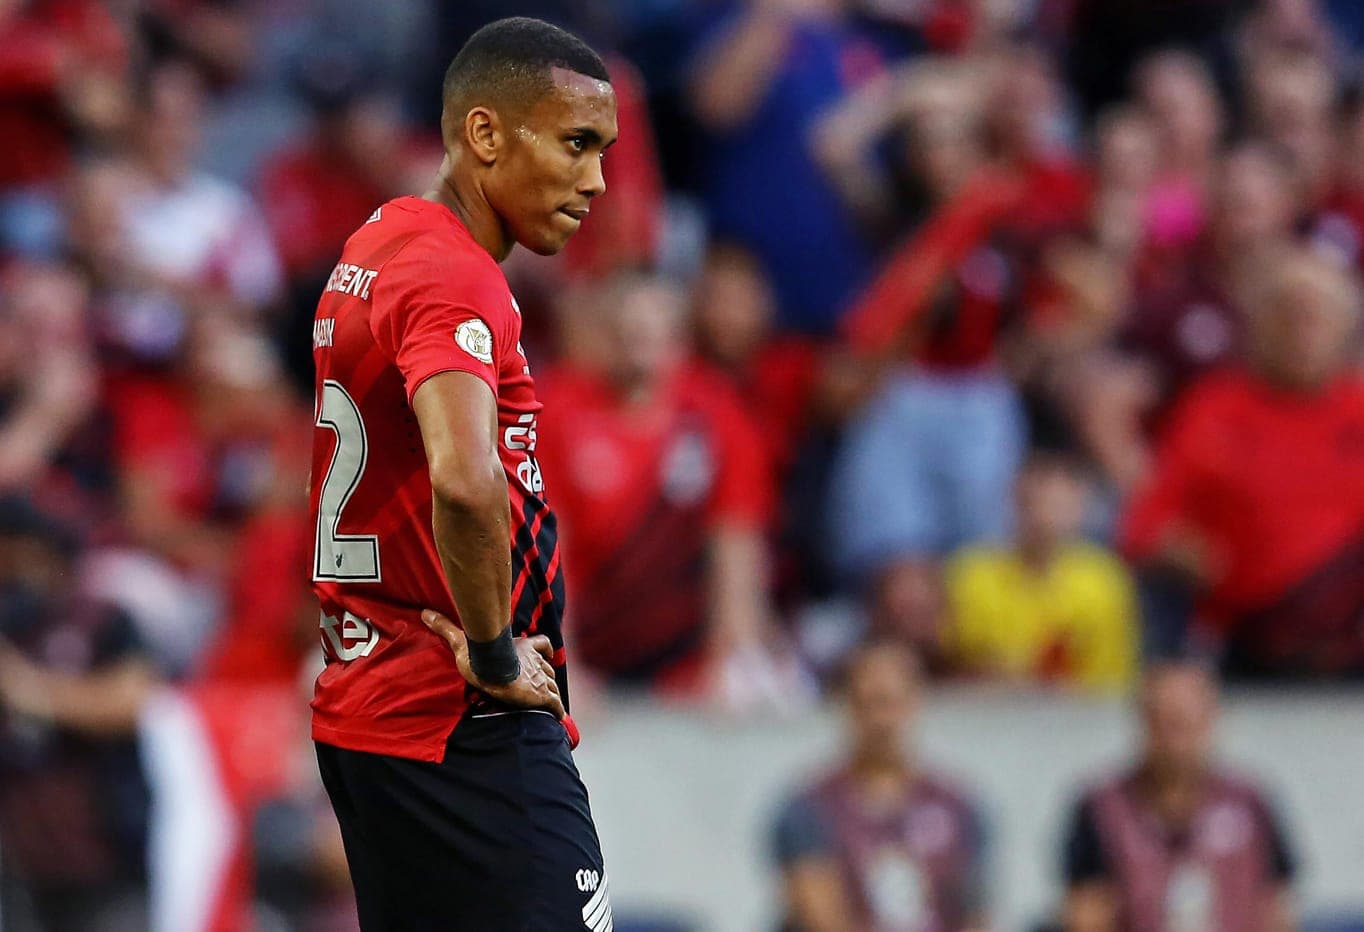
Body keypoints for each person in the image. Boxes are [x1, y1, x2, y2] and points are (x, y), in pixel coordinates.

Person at [306, 17, 615, 929]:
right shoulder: (456, 277)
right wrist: (490, 653)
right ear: (485, 135)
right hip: (460, 715)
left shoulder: (376, 245)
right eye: (575, 144)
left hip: (369, 709)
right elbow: (466, 477)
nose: (595, 180)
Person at [1121, 247, 1364, 675]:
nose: (1301, 331)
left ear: (1345, 326)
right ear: (1257, 324)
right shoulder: (1215, 408)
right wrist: (1181, 551)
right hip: (1245, 633)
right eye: (1286, 313)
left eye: (1316, 315)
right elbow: (1145, 523)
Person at [1059, 662, 1297, 931]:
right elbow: (1087, 914)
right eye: (1164, 723)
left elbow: (1274, 910)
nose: (1175, 741)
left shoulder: (1251, 804)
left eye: (1185, 724)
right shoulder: (1101, 809)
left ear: (1211, 721)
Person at [770, 641, 988, 932]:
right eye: (868, 703)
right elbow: (821, 920)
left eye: (890, 702)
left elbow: (976, 917)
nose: (880, 721)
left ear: (914, 703)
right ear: (847, 708)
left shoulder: (959, 807)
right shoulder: (809, 809)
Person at [943, 451, 1138, 693]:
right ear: (1014, 502)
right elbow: (953, 668)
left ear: (1080, 509)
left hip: (1080, 720)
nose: (1044, 518)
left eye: (1058, 506)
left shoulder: (1105, 580)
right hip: (988, 715)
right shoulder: (971, 574)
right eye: (1033, 503)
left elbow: (1110, 680)